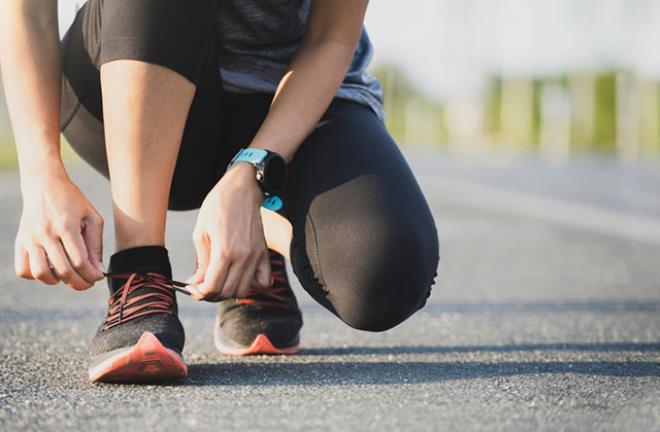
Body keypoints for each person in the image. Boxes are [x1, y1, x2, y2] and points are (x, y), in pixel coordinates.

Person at [0, 0, 440, 383]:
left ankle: (256, 233)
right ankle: (140, 273)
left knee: (384, 275)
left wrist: (253, 172)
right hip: (128, 72)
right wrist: (41, 173)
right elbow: (28, 11)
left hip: (290, 101)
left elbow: (331, 38)